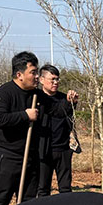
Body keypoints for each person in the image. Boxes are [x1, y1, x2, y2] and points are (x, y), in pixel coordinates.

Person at [0, 51, 44, 205]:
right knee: (1, 198)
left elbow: (56, 109)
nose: (37, 77)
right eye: (33, 72)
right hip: (9, 156)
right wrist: (25, 115)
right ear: (19, 75)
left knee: (28, 201)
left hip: (31, 155)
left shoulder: (37, 94)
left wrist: (69, 102)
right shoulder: (4, 92)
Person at [36, 64, 79, 197]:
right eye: (52, 79)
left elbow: (69, 117)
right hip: (44, 149)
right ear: (41, 80)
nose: (55, 82)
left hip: (63, 148)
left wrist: (72, 103)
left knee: (65, 188)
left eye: (57, 79)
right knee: (43, 188)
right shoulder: (36, 98)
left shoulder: (64, 98)